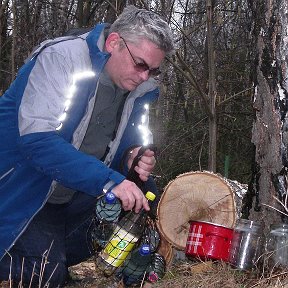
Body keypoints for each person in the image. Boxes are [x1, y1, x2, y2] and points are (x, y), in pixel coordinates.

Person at [0, 5, 174, 287]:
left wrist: (130, 157)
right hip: (22, 190)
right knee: (43, 275)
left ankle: (52, 252)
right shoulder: (62, 59)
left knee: (141, 209)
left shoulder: (140, 90)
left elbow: (126, 143)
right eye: (140, 64)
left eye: (153, 70)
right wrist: (109, 180)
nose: (145, 76)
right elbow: (37, 140)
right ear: (114, 42)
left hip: (71, 195)